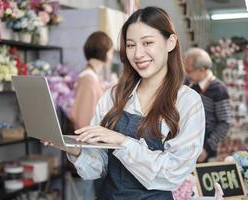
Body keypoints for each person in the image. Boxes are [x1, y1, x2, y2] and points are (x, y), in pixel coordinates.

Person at [45, 6, 205, 199]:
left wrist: (121, 141)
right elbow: (98, 167)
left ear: (170, 43)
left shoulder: (187, 102)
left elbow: (172, 173)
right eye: (130, 45)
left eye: (147, 42)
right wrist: (73, 148)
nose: (137, 54)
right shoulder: (113, 96)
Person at [69, 31, 113, 200]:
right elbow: (84, 119)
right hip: (90, 150)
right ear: (104, 51)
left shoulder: (91, 76)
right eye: (110, 50)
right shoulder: (88, 79)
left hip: (92, 148)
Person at [184, 47, 231, 162]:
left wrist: (207, 148)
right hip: (186, 148)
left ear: (202, 70)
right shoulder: (189, 85)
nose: (186, 74)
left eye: (189, 71)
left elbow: (224, 123)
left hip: (205, 152)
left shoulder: (219, 89)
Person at [71, 31, 114, 129]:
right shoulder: (89, 80)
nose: (111, 57)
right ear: (106, 52)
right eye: (111, 52)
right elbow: (83, 121)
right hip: (89, 140)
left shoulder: (89, 77)